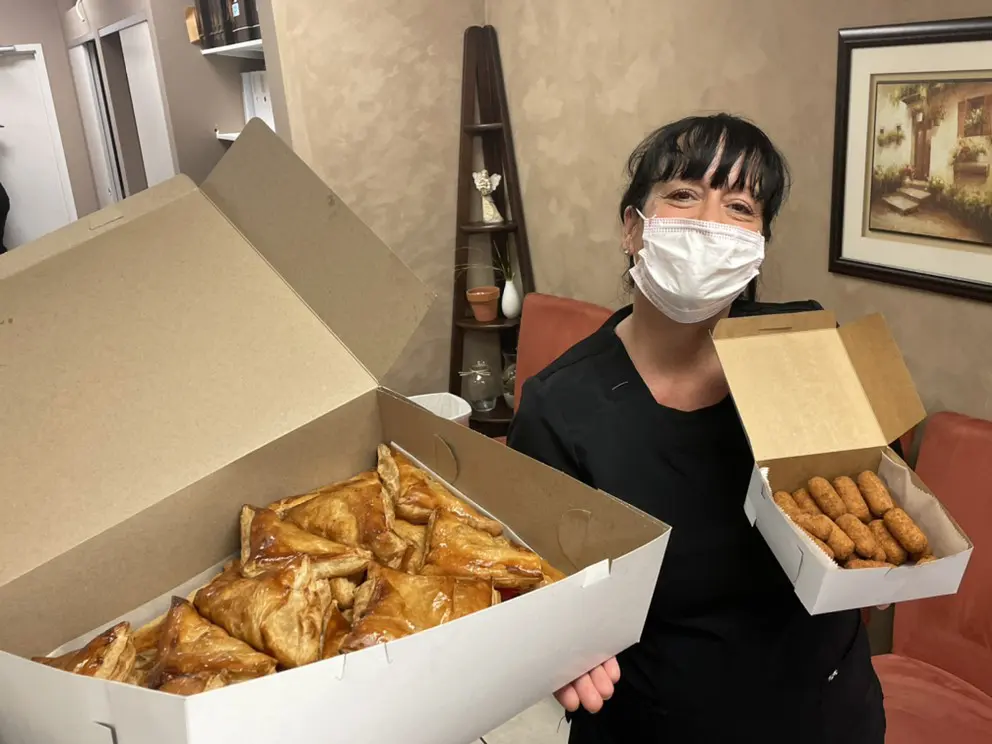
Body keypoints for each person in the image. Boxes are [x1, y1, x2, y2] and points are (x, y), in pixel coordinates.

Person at [507, 114, 887, 743]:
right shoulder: (563, 406)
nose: (710, 222)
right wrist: (559, 647)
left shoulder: (805, 348)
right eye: (684, 194)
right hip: (664, 723)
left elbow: (871, 515)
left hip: (826, 713)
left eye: (739, 205)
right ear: (634, 228)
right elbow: (538, 585)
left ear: (758, 246)